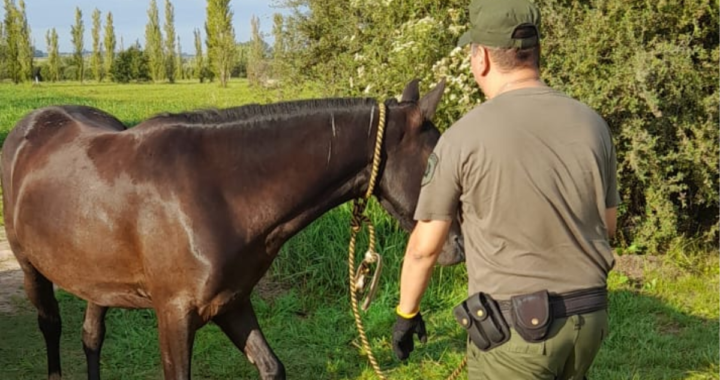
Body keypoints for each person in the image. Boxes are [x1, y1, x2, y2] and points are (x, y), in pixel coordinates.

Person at [390, 0, 620, 378]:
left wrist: (406, 314)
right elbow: (606, 227)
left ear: (480, 58)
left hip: (518, 334)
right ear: (537, 51)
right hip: (590, 319)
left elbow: (423, 248)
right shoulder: (593, 125)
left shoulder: (463, 137)